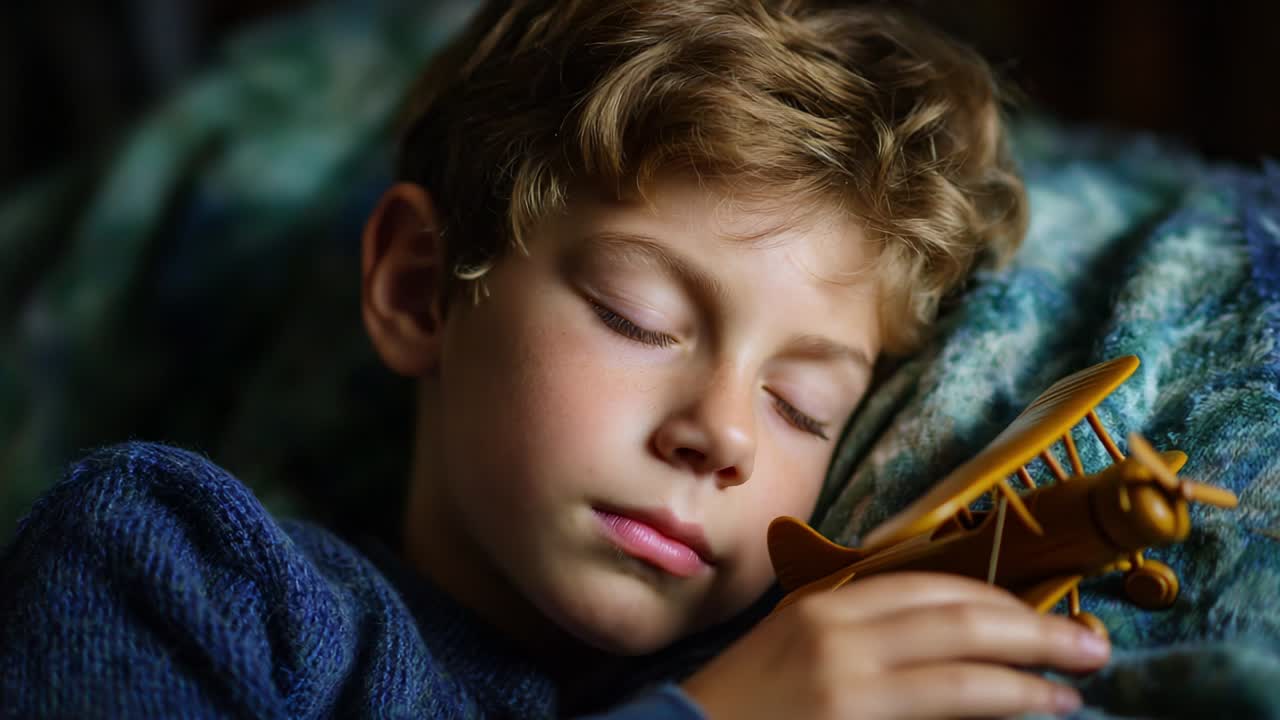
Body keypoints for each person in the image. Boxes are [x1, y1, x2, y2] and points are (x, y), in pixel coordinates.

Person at [0, 1, 1111, 717]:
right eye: (634, 318)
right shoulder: (175, 568)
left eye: (800, 403)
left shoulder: (810, 658)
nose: (720, 433)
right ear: (418, 287)